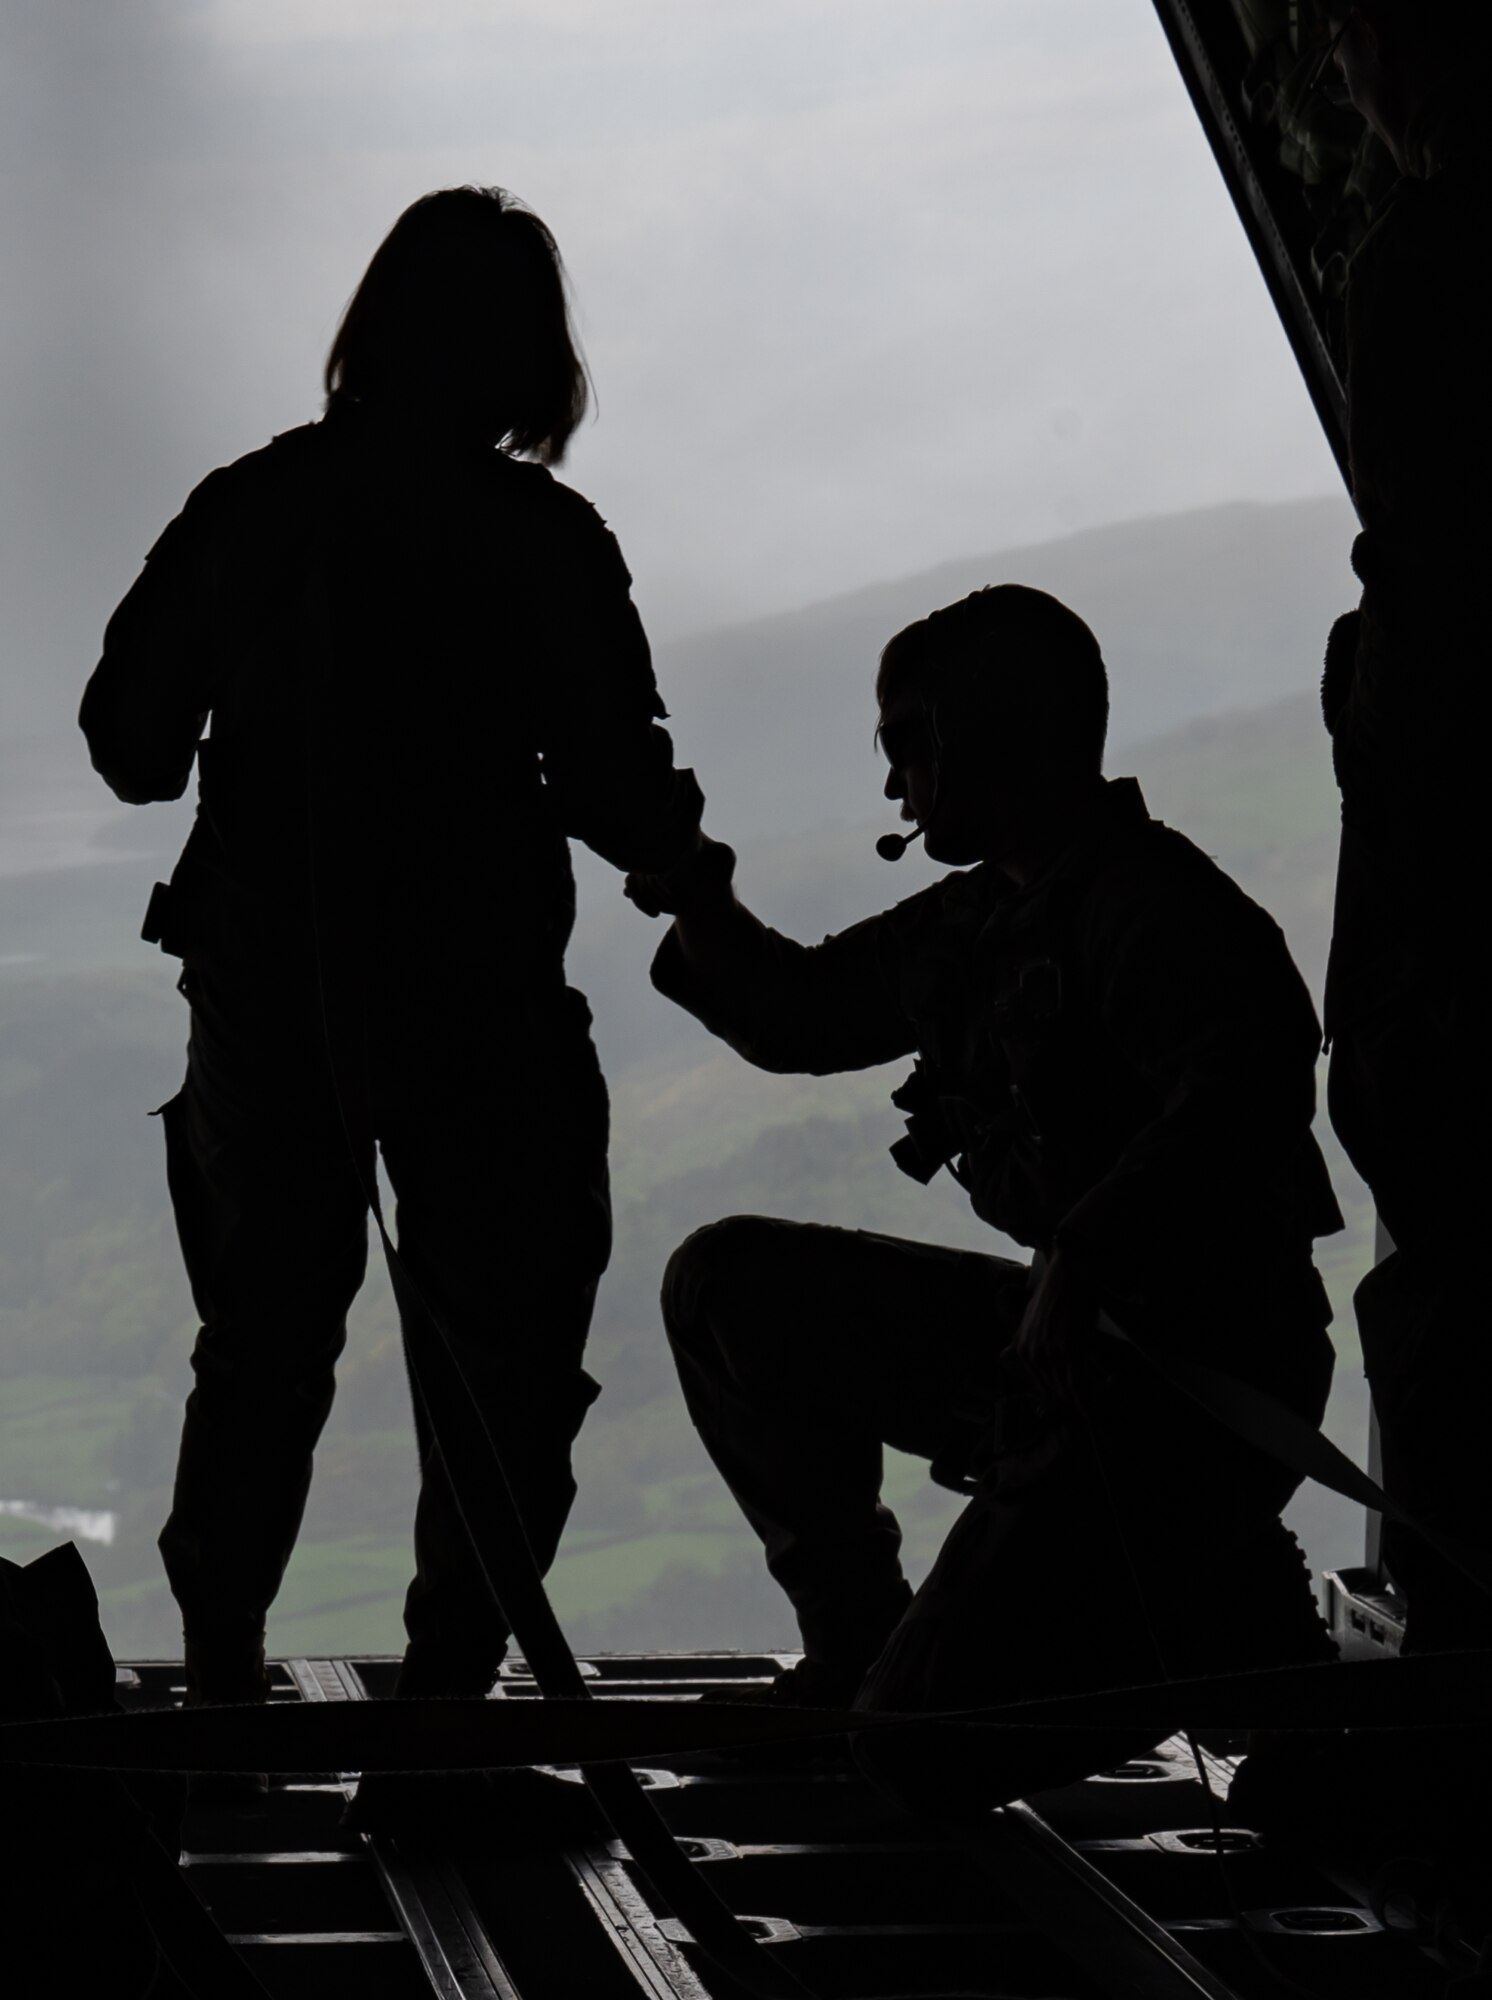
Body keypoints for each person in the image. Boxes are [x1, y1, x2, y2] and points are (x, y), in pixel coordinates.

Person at [80, 187, 708, 1827]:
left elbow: (132, 742)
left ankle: (221, 1689)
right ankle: (441, 1718)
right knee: (507, 1357)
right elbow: (622, 781)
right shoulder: (541, 541)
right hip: (484, 1010)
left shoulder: (250, 511)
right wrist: (704, 898)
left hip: (270, 1007)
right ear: (527, 358)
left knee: (263, 1348)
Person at [634, 585, 1341, 1811]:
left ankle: (1214, 1637)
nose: (899, 785)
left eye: (909, 743)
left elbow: (1249, 1080)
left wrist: (1085, 1247)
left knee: (911, 1752)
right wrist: (695, 890)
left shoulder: (1157, 906)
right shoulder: (984, 918)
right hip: (1062, 1362)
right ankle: (873, 1642)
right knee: (727, 1285)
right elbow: (800, 1015)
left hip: (1193, 1388)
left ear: (985, 736)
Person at [1317, 0, 1490, 1653]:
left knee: (1447, 1228)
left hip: (1451, 819)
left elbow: (1425, 549)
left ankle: (1459, 1662)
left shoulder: (1426, 263)